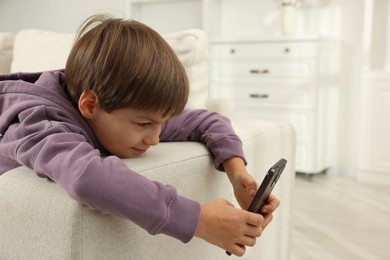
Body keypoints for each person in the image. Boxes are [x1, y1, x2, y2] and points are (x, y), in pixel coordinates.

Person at [0, 14, 279, 256]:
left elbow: (207, 120)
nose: (155, 138)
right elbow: (86, 177)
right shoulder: (39, 121)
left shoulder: (123, 110)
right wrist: (200, 220)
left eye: (161, 123)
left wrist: (236, 171)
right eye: (144, 124)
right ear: (89, 105)